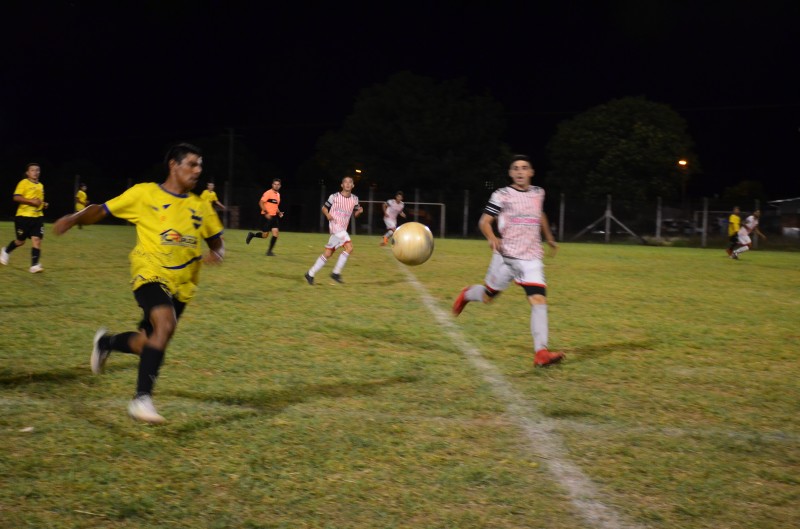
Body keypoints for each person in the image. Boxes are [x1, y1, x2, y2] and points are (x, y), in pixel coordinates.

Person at [53, 143, 225, 424]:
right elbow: (102, 210)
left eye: (200, 165)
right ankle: (141, 399)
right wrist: (73, 218)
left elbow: (217, 241)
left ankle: (106, 343)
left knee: (148, 342)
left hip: (183, 284)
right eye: (192, 164)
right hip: (149, 273)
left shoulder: (201, 206)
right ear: (173, 165)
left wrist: (217, 253)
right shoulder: (144, 194)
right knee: (165, 324)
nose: (198, 170)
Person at [452, 155, 564, 368]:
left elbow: (540, 215)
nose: (520, 171)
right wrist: (492, 237)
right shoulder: (502, 194)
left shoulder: (539, 193)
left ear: (531, 172)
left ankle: (541, 352)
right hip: (506, 257)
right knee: (487, 297)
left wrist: (549, 237)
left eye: (524, 167)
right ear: (511, 173)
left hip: (531, 258)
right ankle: (467, 294)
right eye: (516, 168)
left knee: (539, 301)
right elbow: (485, 221)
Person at [304, 175, 363, 285]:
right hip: (335, 226)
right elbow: (324, 208)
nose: (348, 184)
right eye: (345, 182)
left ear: (353, 185)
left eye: (350, 182)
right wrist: (327, 214)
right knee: (349, 248)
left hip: (342, 229)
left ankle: (310, 273)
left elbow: (355, 214)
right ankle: (335, 273)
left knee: (328, 253)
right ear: (342, 185)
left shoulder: (355, 199)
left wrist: (359, 211)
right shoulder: (334, 196)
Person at [1, 162, 48, 273]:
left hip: (38, 217)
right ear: (27, 173)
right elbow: (16, 197)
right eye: (32, 170)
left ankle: (34, 265)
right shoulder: (23, 183)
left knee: (37, 240)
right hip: (23, 217)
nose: (35, 172)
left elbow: (38, 201)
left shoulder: (41, 186)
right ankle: (6, 251)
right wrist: (31, 201)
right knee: (20, 241)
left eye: (37, 170)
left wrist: (43, 204)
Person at [246, 178, 283, 256]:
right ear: (272, 185)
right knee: (265, 235)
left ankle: (269, 251)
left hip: (274, 217)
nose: (276, 186)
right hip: (267, 216)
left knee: (275, 233)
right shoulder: (268, 193)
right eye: (275, 184)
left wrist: (279, 212)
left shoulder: (278, 195)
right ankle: (252, 235)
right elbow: (261, 202)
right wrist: (266, 213)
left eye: (278, 184)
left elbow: (275, 206)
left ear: (280, 186)